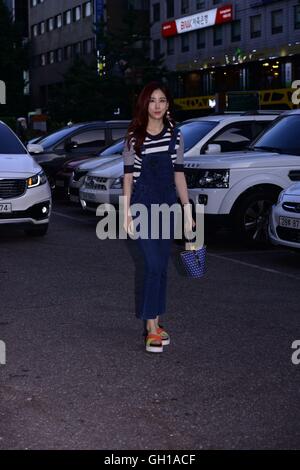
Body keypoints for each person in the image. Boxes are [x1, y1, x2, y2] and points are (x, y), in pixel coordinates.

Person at [122, 81, 195, 354]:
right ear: (145, 104)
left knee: (161, 267)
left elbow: (179, 174)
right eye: (152, 100)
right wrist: (126, 211)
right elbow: (128, 177)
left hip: (167, 206)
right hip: (141, 206)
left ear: (168, 105)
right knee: (152, 265)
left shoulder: (176, 136)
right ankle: (150, 329)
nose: (157, 106)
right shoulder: (133, 137)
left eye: (162, 100)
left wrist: (187, 210)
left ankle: (156, 322)